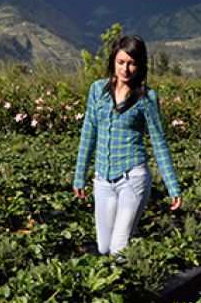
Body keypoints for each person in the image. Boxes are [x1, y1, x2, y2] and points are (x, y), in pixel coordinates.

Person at [73, 34, 182, 256]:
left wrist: (173, 186)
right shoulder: (97, 91)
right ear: (113, 61)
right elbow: (88, 134)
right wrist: (79, 174)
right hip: (103, 179)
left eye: (132, 63)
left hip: (132, 178)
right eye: (121, 62)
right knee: (104, 247)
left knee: (118, 248)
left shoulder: (147, 98)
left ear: (140, 65)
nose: (125, 69)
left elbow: (159, 142)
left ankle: (127, 286)